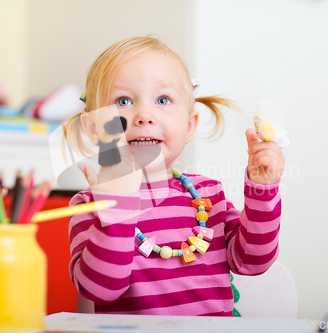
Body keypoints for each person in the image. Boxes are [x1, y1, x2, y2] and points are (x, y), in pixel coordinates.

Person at [63, 36, 285, 316]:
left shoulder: (208, 195)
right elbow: (100, 290)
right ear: (94, 127)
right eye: (123, 101)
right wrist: (116, 214)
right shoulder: (91, 204)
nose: (144, 115)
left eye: (163, 100)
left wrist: (262, 188)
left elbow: (254, 261)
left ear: (190, 125)